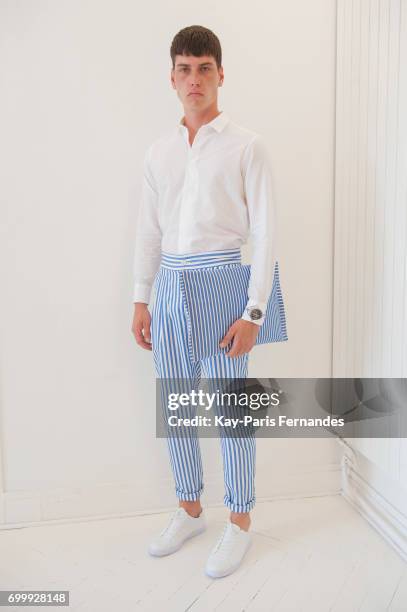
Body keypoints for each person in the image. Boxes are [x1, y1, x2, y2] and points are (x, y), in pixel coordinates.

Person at [131, 25, 278, 579]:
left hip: (223, 285)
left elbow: (265, 232)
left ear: (221, 74)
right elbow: (149, 232)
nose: (195, 79)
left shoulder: (247, 145)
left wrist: (253, 312)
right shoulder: (160, 152)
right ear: (172, 78)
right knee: (176, 406)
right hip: (170, 286)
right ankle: (190, 507)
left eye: (205, 68)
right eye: (185, 69)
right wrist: (141, 299)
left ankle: (239, 522)